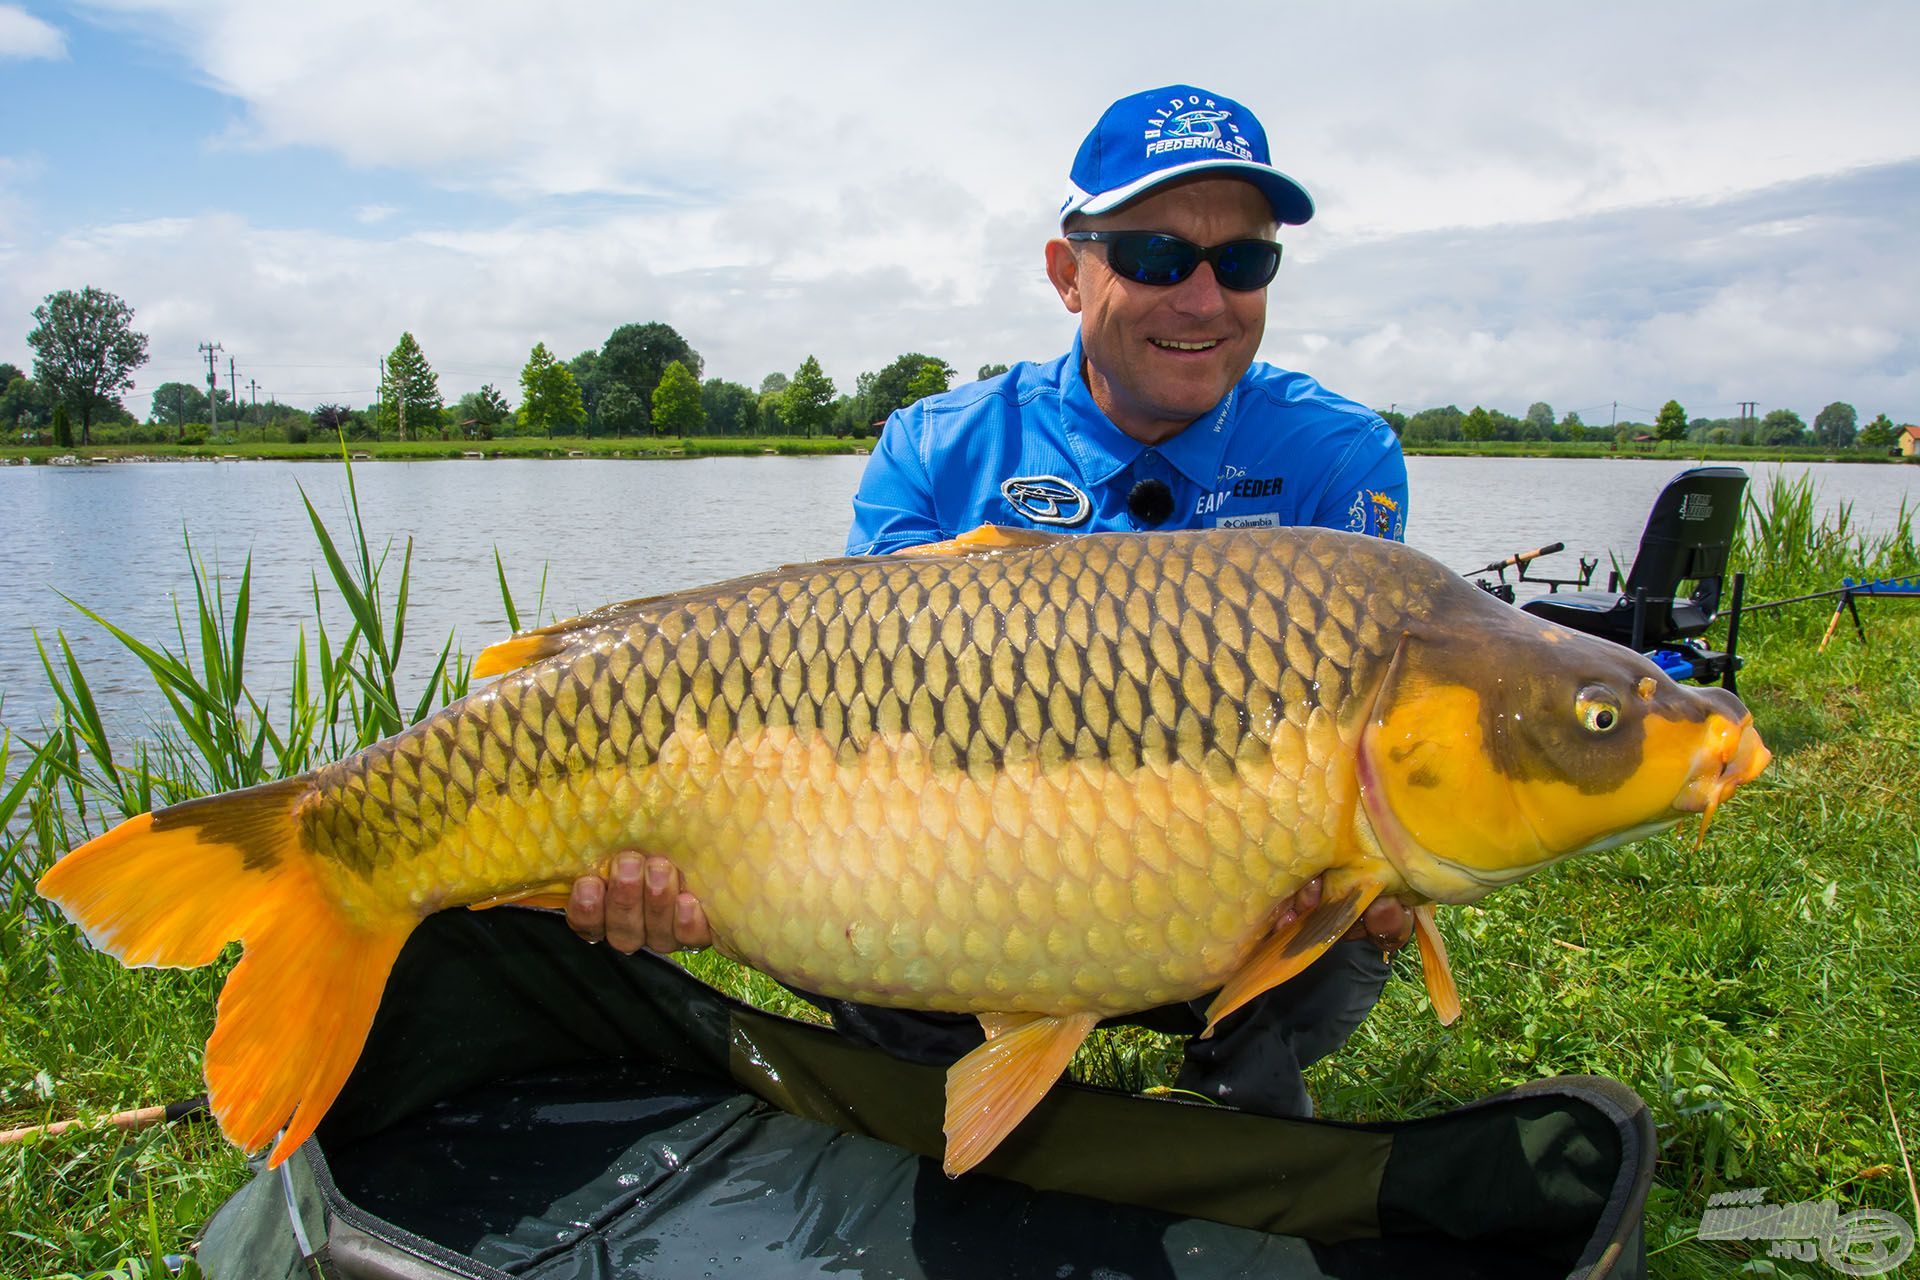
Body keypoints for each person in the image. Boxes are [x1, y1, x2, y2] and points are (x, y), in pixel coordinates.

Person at [568, 84, 1414, 1117]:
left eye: (1242, 261)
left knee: (1354, 896)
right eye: (1154, 256)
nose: (1203, 299)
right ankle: (941, 1091)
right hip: (969, 881)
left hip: (1222, 887)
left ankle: (1231, 1109)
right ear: (1069, 271)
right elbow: (856, 730)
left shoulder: (1339, 455)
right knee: (844, 885)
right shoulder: (935, 445)